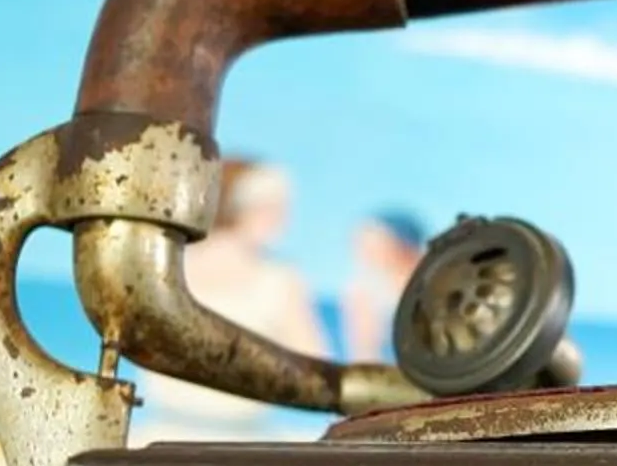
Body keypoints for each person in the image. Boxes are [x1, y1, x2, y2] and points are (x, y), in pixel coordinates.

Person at [137, 158, 329, 437]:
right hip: (223, 442)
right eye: (273, 207)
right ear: (241, 208)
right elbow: (317, 373)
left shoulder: (162, 263)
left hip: (174, 435)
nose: (283, 218)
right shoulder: (279, 279)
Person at [339, 211, 429, 366]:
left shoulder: (434, 279)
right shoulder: (363, 292)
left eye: (374, 245)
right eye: (362, 245)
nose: (366, 253)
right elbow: (364, 351)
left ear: (402, 244)